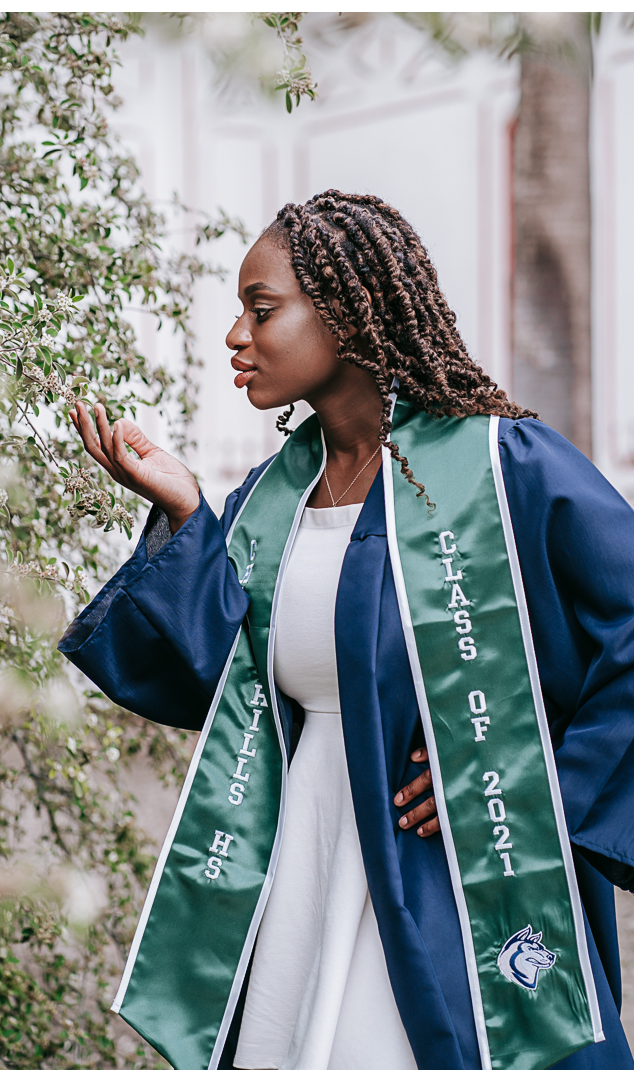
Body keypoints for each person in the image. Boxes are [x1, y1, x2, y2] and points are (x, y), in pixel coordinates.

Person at [59, 191, 633, 1071]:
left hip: (449, 877)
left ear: (347, 308)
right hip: (301, 860)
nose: (235, 338)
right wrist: (185, 514)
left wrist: (526, 775)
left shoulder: (498, 466)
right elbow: (227, 681)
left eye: (262, 309)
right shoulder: (270, 500)